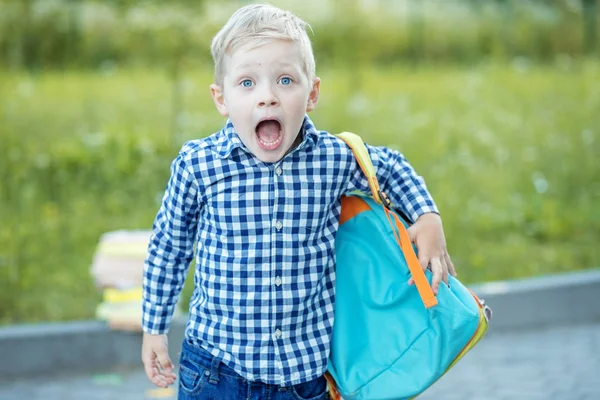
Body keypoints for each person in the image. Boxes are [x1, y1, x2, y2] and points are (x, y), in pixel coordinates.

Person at [141, 3, 456, 399]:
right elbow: (168, 248)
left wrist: (427, 216)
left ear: (313, 93)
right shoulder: (199, 166)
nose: (267, 98)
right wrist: (154, 327)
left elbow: (390, 166)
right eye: (247, 83)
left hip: (302, 376)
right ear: (221, 99)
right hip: (215, 371)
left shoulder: (332, 159)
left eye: (286, 80)